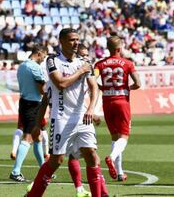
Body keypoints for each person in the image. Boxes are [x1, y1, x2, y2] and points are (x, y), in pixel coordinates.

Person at [27, 28, 108, 197]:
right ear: (62, 41)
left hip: (82, 118)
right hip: (61, 119)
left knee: (92, 156)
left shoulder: (85, 62)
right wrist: (37, 124)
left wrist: (91, 109)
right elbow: (60, 84)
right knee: (56, 161)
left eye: (77, 39)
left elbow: (94, 87)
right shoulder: (52, 61)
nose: (76, 43)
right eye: (72, 40)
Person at [94, 35, 141, 181]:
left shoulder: (99, 64)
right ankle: (112, 158)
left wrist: (101, 86)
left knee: (115, 137)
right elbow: (138, 83)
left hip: (107, 102)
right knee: (124, 136)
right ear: (119, 48)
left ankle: (120, 172)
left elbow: (91, 81)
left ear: (108, 48)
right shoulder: (127, 63)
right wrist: (128, 88)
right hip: (122, 101)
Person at [9, 44, 48, 182]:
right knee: (28, 138)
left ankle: (44, 170)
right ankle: (15, 171)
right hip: (33, 104)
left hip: (24, 102)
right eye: (43, 56)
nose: (43, 59)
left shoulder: (22, 66)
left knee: (38, 138)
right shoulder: (35, 67)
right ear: (39, 53)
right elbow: (41, 90)